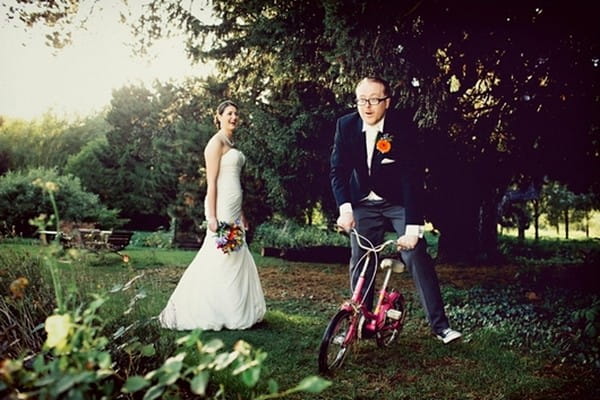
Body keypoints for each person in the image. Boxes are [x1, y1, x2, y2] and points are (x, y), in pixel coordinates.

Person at [329, 77, 461, 344]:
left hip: (397, 202)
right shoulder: (345, 125)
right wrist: (345, 210)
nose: (367, 106)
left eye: (374, 100)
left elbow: (411, 178)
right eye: (361, 100)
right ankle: (359, 322)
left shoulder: (403, 128)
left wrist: (413, 229)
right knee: (361, 258)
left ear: (387, 102)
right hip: (363, 202)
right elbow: (338, 171)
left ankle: (440, 327)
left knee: (415, 255)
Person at [159, 100, 266, 331]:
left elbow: (237, 182)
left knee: (237, 255)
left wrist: (243, 214)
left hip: (235, 208)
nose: (234, 117)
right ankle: (206, 308)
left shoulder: (231, 142)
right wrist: (212, 215)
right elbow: (212, 184)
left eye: (236, 113)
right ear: (218, 117)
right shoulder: (215, 144)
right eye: (229, 113)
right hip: (222, 208)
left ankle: (235, 310)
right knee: (221, 256)